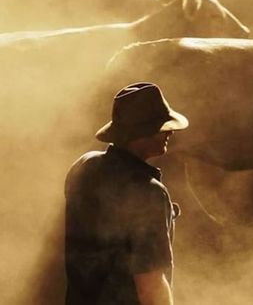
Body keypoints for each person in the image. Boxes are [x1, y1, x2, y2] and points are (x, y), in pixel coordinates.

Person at [64, 82, 188, 305]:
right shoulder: (149, 193)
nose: (169, 131)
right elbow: (150, 286)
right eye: (161, 126)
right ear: (141, 134)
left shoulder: (83, 166)